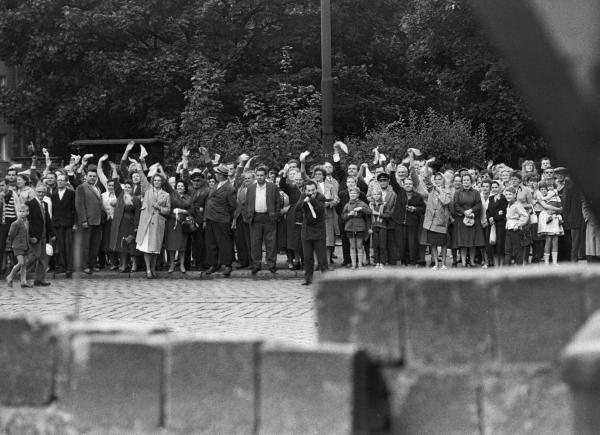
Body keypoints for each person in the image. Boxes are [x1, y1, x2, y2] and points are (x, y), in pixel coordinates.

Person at [245, 167, 281, 274]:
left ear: (265, 176)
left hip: (269, 217)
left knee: (271, 242)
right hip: (255, 217)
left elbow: (278, 202)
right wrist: (248, 215)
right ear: (255, 176)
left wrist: (276, 215)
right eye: (258, 175)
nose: (260, 177)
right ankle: (256, 264)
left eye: (262, 175)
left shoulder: (272, 187)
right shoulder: (251, 188)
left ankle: (271, 264)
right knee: (255, 242)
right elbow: (247, 203)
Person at [204, 164, 237, 277]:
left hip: (222, 219)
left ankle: (228, 265)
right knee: (211, 242)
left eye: (217, 174)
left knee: (224, 243)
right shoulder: (217, 184)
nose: (215, 175)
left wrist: (223, 212)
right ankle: (213, 265)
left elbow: (232, 205)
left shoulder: (229, 188)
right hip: (210, 218)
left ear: (222, 175)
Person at [136, 173, 171, 278]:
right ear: (152, 182)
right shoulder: (147, 192)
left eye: (159, 180)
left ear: (162, 182)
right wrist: (140, 164)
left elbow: (168, 210)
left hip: (157, 223)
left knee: (155, 248)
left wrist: (159, 207)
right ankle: (148, 270)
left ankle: (153, 268)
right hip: (146, 223)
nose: (157, 182)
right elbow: (142, 179)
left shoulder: (166, 195)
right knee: (146, 247)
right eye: (155, 180)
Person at [75, 166, 105, 274]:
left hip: (98, 221)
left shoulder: (97, 188)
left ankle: (93, 264)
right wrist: (83, 220)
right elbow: (79, 205)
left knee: (95, 245)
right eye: (90, 176)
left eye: (94, 176)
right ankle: (85, 265)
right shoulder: (81, 187)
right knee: (86, 245)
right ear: (86, 176)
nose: (92, 178)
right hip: (87, 221)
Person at [298, 180, 327, 285]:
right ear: (305, 190)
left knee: (322, 258)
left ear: (316, 189)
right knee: (307, 258)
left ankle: (326, 279)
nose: (311, 192)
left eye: (313, 190)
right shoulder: (303, 196)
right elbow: (297, 208)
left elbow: (320, 210)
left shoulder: (321, 197)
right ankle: (308, 279)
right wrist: (304, 202)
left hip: (319, 230)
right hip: (306, 231)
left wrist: (313, 200)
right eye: (309, 190)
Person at [453, 174, 485, 267]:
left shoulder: (476, 192)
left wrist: (471, 212)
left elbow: (479, 204)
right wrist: (464, 212)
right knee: (463, 242)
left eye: (468, 180)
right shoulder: (458, 193)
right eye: (464, 180)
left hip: (473, 218)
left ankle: (472, 261)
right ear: (462, 182)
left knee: (472, 241)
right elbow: (456, 205)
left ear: (471, 181)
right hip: (461, 219)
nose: (466, 182)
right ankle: (463, 262)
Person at [109, 179, 141, 272]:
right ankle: (123, 264)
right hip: (120, 224)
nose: (127, 189)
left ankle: (132, 265)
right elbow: (116, 185)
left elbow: (137, 214)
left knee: (130, 244)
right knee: (121, 244)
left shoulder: (135, 199)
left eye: (129, 187)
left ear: (132, 189)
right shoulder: (121, 196)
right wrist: (114, 169)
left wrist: (136, 227)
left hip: (130, 224)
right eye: (125, 187)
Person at [26, 184, 54, 286]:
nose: (41, 194)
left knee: (43, 258)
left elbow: (47, 220)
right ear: (35, 192)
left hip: (43, 235)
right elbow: (28, 221)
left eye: (43, 192)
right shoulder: (30, 204)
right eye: (39, 192)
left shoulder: (45, 204)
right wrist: (31, 236)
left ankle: (40, 279)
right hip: (35, 236)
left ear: (45, 193)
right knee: (33, 257)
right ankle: (22, 276)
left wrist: (52, 233)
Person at [423, 172, 451, 270]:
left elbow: (446, 201)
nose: (437, 180)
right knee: (433, 244)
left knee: (443, 244)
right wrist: (426, 165)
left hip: (441, 222)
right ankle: (435, 264)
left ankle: (443, 264)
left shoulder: (447, 191)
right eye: (436, 179)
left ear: (443, 180)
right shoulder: (431, 189)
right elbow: (426, 179)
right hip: (431, 221)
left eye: (440, 179)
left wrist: (440, 191)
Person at [51, 173, 76, 277]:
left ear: (66, 182)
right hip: (57, 223)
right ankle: (62, 266)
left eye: (62, 180)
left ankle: (70, 267)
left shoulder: (71, 193)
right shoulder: (54, 194)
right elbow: (53, 210)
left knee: (69, 245)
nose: (60, 181)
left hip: (68, 223)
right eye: (59, 180)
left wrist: (75, 223)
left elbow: (75, 209)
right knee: (60, 246)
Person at [165, 180, 192, 273]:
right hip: (172, 222)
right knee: (171, 245)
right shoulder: (171, 195)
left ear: (185, 188)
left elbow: (191, 210)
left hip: (183, 223)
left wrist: (182, 210)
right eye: (178, 186)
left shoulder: (188, 197)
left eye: (182, 186)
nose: (180, 187)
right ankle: (172, 264)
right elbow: (167, 207)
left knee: (182, 246)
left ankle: (182, 264)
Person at [342, 187, 371, 269]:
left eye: (354, 193)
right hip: (349, 227)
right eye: (351, 193)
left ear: (358, 194)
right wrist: (349, 214)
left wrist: (361, 209)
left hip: (360, 227)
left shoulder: (362, 203)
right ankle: (354, 264)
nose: (352, 195)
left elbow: (369, 211)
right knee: (352, 246)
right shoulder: (347, 205)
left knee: (359, 246)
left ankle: (360, 264)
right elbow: (343, 217)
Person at [536, 180, 564, 265]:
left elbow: (559, 205)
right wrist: (558, 209)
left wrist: (558, 211)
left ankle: (555, 262)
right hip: (545, 218)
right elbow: (545, 206)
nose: (544, 190)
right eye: (542, 189)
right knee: (548, 239)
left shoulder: (554, 196)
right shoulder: (539, 197)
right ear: (539, 190)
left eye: (545, 189)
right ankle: (546, 262)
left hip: (555, 218)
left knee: (555, 239)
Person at [5, 204, 32, 288]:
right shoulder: (15, 223)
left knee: (24, 265)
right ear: (18, 212)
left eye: (24, 211)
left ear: (28, 212)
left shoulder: (27, 222)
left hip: (25, 246)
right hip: (17, 246)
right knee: (21, 263)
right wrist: (11, 244)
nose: (22, 213)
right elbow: (11, 235)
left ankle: (23, 281)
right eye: (20, 211)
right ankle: (10, 276)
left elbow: (27, 234)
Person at [504, 187, 529, 266]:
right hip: (508, 228)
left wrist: (518, 225)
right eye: (506, 194)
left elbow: (525, 216)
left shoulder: (517, 204)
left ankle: (519, 268)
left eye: (510, 194)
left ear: (514, 195)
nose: (508, 196)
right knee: (507, 249)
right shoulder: (508, 204)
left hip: (515, 229)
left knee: (517, 250)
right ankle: (506, 268)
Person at [487, 180, 508, 267]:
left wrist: (494, 217)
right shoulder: (491, 198)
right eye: (493, 187)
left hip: (500, 225)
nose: (494, 189)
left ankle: (501, 266)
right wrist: (489, 218)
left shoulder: (503, 198)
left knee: (500, 245)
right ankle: (496, 265)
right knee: (493, 245)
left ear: (499, 188)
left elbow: (503, 212)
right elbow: (488, 211)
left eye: (496, 187)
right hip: (492, 224)